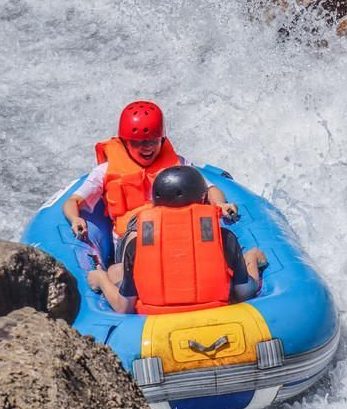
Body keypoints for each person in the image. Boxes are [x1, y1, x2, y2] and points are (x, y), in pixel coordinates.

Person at [63, 101, 237, 262]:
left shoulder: (179, 164)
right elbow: (72, 201)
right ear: (124, 142)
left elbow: (210, 188)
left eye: (152, 140)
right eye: (137, 143)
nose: (146, 147)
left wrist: (220, 204)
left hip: (177, 233)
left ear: (161, 138)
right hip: (132, 240)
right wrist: (74, 219)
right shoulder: (105, 171)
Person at [87, 166, 266, 314]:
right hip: (213, 313)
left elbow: (124, 307)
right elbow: (244, 293)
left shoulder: (138, 243)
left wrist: (102, 279)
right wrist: (251, 259)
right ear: (203, 199)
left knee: (113, 271)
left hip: (154, 322)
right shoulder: (224, 237)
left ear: (155, 203)